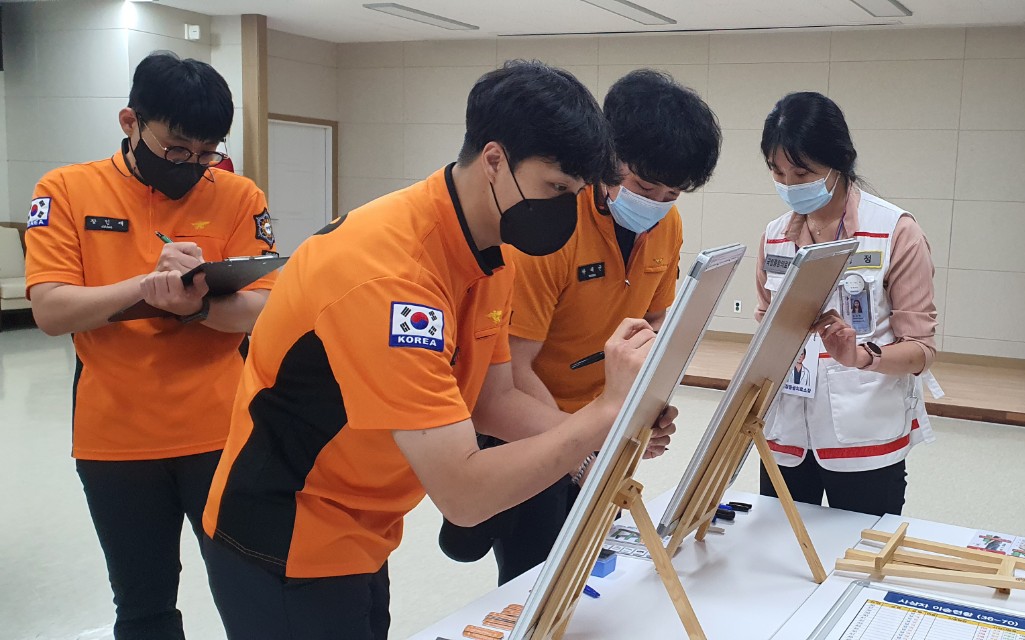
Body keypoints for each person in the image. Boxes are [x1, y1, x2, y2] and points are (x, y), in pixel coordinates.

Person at [198, 61, 676, 640]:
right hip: (286, 531)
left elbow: (494, 401)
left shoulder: (488, 246)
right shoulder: (390, 277)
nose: (568, 210)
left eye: (577, 194)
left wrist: (612, 431)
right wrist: (603, 416)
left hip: (361, 525)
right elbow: (464, 494)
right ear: (495, 160)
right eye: (556, 188)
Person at [22, 52, 275, 639]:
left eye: (208, 152)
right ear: (130, 122)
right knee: (143, 605)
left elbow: (266, 307)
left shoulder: (239, 195)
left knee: (255, 593)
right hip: (116, 439)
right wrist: (145, 287)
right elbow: (52, 310)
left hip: (222, 431)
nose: (193, 165)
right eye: (177, 149)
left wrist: (198, 306)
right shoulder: (66, 190)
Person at [438, 69, 721, 585]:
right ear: (608, 157)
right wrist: (584, 449)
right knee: (533, 577)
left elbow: (652, 322)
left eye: (672, 193)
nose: (657, 203)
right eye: (644, 186)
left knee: (593, 569)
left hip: (600, 421)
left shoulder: (666, 224)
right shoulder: (552, 227)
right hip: (529, 423)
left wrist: (639, 411)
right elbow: (513, 373)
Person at [754, 92, 939, 517]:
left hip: (865, 436)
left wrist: (860, 356)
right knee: (778, 545)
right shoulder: (774, 236)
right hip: (786, 435)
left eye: (802, 172)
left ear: (839, 163)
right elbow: (765, 327)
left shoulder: (894, 231)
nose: (789, 185)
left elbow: (921, 351)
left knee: (861, 549)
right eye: (777, 171)